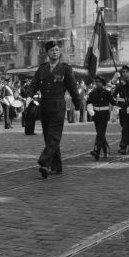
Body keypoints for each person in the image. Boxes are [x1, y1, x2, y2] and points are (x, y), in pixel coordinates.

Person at [24, 41, 80, 178]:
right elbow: (34, 84)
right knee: (48, 136)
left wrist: (77, 105)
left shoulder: (65, 69)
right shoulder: (42, 68)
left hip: (58, 106)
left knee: (54, 136)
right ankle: (57, 166)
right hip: (44, 106)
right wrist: (29, 96)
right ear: (47, 53)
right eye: (52, 50)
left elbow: (73, 87)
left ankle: (45, 163)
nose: (55, 52)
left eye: (57, 50)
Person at [86, 75, 114, 160]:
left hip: (104, 116)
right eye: (96, 82)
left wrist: (116, 113)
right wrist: (90, 109)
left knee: (100, 134)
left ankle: (96, 151)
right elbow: (88, 102)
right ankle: (106, 149)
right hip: (96, 116)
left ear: (103, 83)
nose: (97, 83)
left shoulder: (107, 93)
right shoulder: (92, 93)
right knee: (101, 134)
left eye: (99, 82)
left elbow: (113, 102)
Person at [112, 65, 129, 155]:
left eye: (126, 72)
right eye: (123, 72)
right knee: (124, 128)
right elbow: (114, 94)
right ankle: (123, 147)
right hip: (122, 109)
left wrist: (126, 84)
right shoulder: (120, 84)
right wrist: (115, 81)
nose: (124, 73)